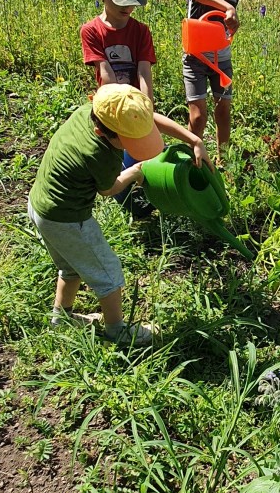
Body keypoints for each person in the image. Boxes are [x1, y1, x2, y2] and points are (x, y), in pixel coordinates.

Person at [28, 83, 213, 346]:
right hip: (67, 218)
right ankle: (117, 330)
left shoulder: (90, 112)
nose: (137, 141)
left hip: (39, 206)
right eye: (128, 140)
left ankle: (62, 317)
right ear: (101, 132)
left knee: (71, 266)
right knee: (109, 273)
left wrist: (194, 139)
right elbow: (109, 189)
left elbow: (147, 121)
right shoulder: (97, 153)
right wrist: (135, 172)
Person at [80, 0, 156, 217]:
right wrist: (118, 118)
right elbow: (106, 74)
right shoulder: (92, 31)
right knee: (118, 159)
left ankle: (152, 201)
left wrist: (146, 110)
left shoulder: (141, 32)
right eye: (121, 0)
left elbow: (144, 72)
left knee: (151, 157)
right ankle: (126, 205)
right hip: (112, 108)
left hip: (137, 107)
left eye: (133, 0)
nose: (129, 7)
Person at [183, 0, 257, 161]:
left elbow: (227, 29)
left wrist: (233, 26)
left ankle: (223, 161)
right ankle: (190, 158)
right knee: (198, 117)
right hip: (195, 58)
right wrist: (227, 6)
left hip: (221, 59)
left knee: (223, 112)